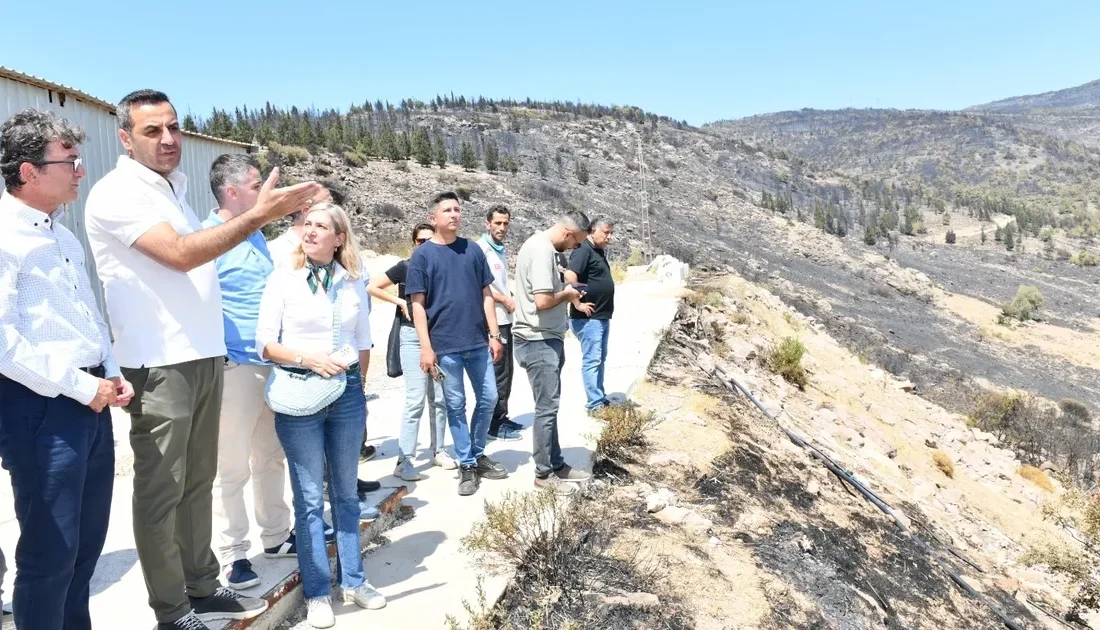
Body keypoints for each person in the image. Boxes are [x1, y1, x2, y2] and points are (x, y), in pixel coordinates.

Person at [84, 89, 320, 630]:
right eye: (151, 130)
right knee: (162, 489)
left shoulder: (175, 190)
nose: (168, 139)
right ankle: (171, 610)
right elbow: (183, 254)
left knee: (197, 482)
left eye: (173, 127)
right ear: (125, 138)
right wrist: (259, 215)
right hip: (159, 361)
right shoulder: (118, 192)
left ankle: (202, 586)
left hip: (202, 353)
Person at [0, 108, 133, 630]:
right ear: (28, 171)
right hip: (40, 408)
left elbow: (86, 312)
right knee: (49, 552)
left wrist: (111, 370)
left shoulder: (62, 234)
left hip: (89, 398)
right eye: (70, 161)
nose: (80, 170)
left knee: (84, 549)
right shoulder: (5, 238)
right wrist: (82, 386)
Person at [255, 202, 386, 628]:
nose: (309, 231)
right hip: (298, 395)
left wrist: (359, 391)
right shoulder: (283, 279)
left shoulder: (351, 284)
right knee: (310, 500)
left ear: (339, 238)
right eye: (306, 224)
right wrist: (307, 359)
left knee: (346, 494)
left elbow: (363, 341)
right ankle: (316, 592)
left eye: (320, 226)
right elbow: (264, 344)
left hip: (345, 394)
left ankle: (354, 580)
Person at [202, 155, 295, 592]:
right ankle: (233, 554)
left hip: (269, 365)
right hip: (234, 368)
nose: (268, 193)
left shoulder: (256, 236)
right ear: (233, 192)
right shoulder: (207, 239)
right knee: (232, 467)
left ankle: (275, 536)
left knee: (271, 457)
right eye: (259, 185)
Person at [407, 191, 506, 496]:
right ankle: (467, 463)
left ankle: (475, 453)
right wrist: (426, 347)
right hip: (445, 346)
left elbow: (486, 295)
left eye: (457, 209)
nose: (454, 214)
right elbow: (418, 305)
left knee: (489, 398)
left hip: (477, 342)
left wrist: (494, 334)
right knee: (456, 405)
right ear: (434, 218)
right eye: (447, 210)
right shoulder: (422, 256)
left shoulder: (473, 250)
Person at [367, 223, 457, 481]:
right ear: (413, 242)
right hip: (411, 338)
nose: (424, 245)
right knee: (415, 400)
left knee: (439, 398)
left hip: (439, 338)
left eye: (429, 240)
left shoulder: (443, 266)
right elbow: (373, 286)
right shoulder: (405, 267)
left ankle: (439, 449)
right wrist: (398, 302)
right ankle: (404, 459)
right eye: (420, 240)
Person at [513, 211, 595, 494]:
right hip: (537, 341)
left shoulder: (544, 248)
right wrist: (568, 294)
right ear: (568, 233)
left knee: (551, 406)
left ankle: (556, 463)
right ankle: (544, 475)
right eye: (576, 243)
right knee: (546, 409)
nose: (574, 249)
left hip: (546, 338)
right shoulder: (541, 251)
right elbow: (543, 300)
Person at [476, 205, 524, 441]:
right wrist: (504, 298)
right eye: (497, 223)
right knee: (498, 372)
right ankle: (493, 424)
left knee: (507, 371)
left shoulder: (499, 250)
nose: (502, 228)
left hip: (505, 318)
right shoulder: (481, 249)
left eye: (506, 223)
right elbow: (479, 285)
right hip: (492, 319)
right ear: (488, 223)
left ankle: (502, 417)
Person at [566, 218, 616, 413]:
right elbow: (570, 276)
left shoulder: (597, 251)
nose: (609, 237)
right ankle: (594, 404)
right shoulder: (583, 250)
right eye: (606, 232)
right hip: (588, 319)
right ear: (592, 231)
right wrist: (577, 302)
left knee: (599, 359)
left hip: (601, 316)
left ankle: (599, 397)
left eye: (611, 233)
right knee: (592, 360)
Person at [267, 185, 332, 268]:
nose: (334, 212)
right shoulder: (275, 252)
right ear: (306, 211)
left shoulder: (332, 249)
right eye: (327, 206)